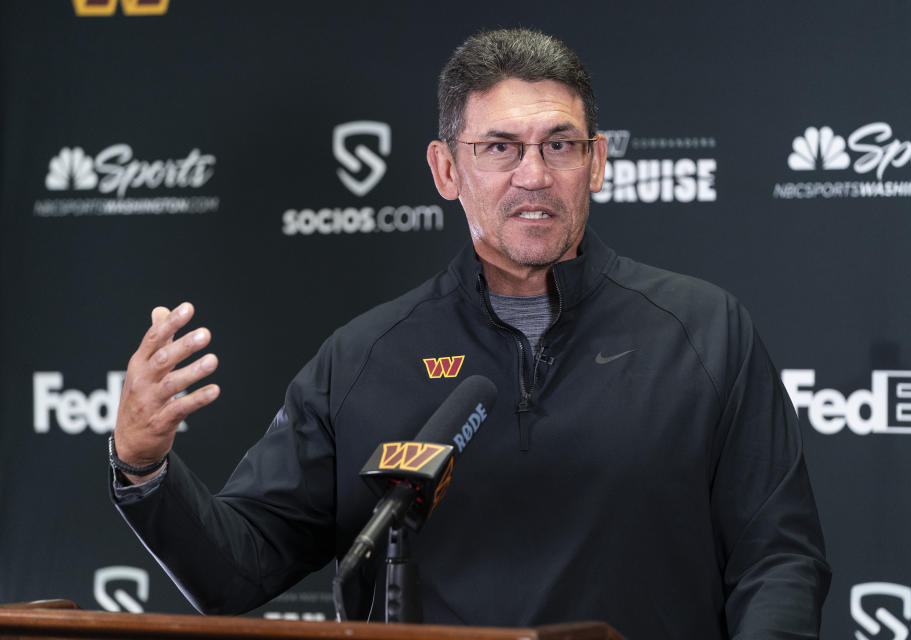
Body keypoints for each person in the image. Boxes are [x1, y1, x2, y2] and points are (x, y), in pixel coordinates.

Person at [111, 28, 830, 639]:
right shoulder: (362, 358)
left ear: (598, 163)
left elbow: (781, 560)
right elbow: (236, 574)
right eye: (499, 148)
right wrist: (143, 469)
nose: (533, 176)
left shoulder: (706, 331)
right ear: (446, 168)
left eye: (560, 146)